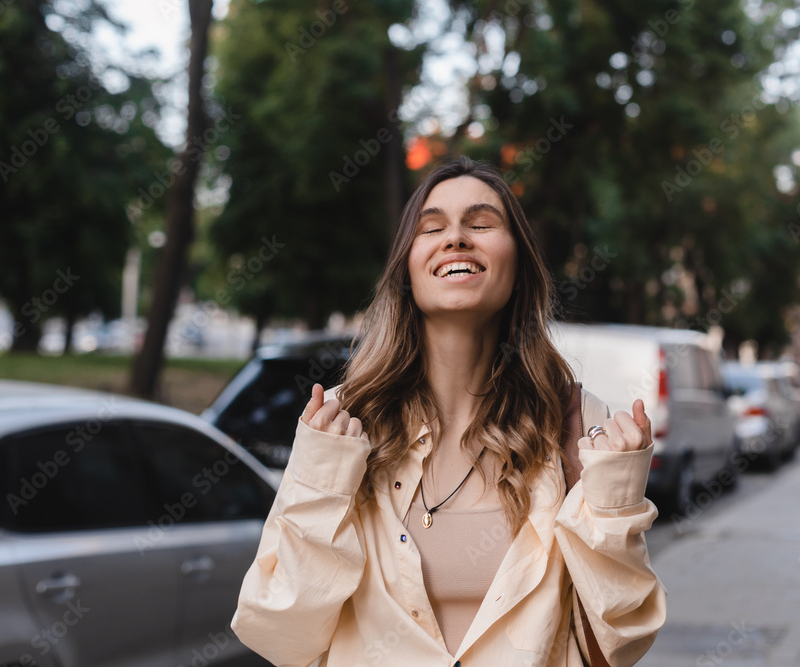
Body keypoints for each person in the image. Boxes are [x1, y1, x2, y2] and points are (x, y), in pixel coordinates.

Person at [231, 157, 666, 666]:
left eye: (481, 224)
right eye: (431, 228)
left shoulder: (573, 422)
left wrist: (614, 500)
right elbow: (282, 633)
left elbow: (622, 642)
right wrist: (323, 481)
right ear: (407, 269)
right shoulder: (345, 424)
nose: (456, 238)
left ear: (518, 264)